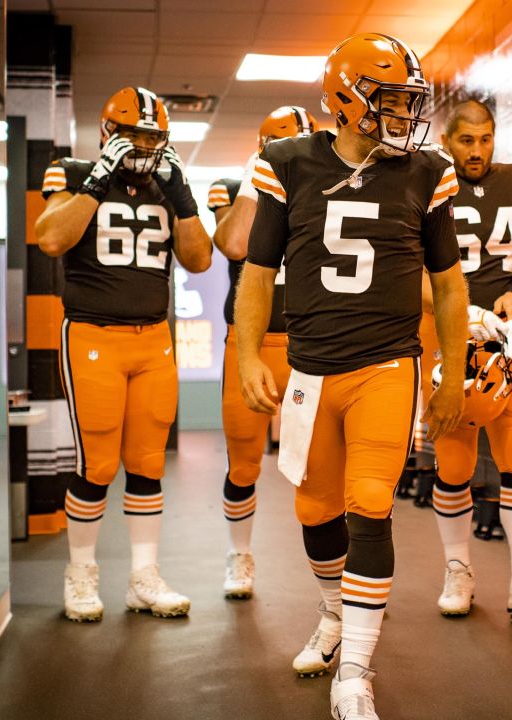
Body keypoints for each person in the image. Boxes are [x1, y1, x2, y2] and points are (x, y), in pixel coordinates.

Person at [234, 33, 468, 720]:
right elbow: (257, 273)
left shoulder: (427, 171)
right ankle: (337, 614)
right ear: (346, 100)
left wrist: (451, 369)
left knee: (371, 501)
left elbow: (449, 286)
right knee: (314, 510)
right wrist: (249, 353)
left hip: (387, 364)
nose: (403, 113)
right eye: (389, 99)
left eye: (407, 100)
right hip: (310, 365)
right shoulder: (287, 163)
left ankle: (357, 671)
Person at [34, 86, 213, 622]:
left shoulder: (166, 186)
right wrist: (96, 179)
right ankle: (82, 573)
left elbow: (200, 259)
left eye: (152, 136)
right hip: (92, 335)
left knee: (147, 463)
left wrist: (181, 196)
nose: (142, 144)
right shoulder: (69, 171)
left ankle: (143, 576)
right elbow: (50, 238)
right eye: (133, 133)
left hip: (154, 338)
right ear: (108, 133)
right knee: (97, 463)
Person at [419, 98, 512, 623]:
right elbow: (412, 268)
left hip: (507, 336)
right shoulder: (426, 183)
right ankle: (457, 568)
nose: (477, 151)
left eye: (485, 140)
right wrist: (463, 314)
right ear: (447, 139)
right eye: (466, 140)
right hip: (449, 335)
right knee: (454, 461)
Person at [207, 105, 320, 600]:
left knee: (320, 467)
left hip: (313, 344)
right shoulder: (236, 188)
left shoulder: (329, 184)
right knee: (244, 463)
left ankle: (336, 576)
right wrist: (260, 180)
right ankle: (240, 555)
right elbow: (233, 243)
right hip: (252, 344)